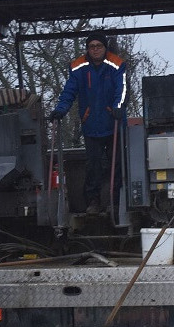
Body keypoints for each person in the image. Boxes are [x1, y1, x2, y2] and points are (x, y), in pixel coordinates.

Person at [48, 32, 128, 215]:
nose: (95, 50)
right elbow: (69, 92)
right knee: (93, 165)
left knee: (117, 164)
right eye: (92, 47)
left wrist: (117, 106)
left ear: (105, 48)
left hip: (114, 123)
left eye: (98, 46)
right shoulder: (78, 67)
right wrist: (61, 110)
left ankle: (116, 202)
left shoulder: (116, 65)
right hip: (91, 125)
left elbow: (122, 89)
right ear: (87, 49)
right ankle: (93, 201)